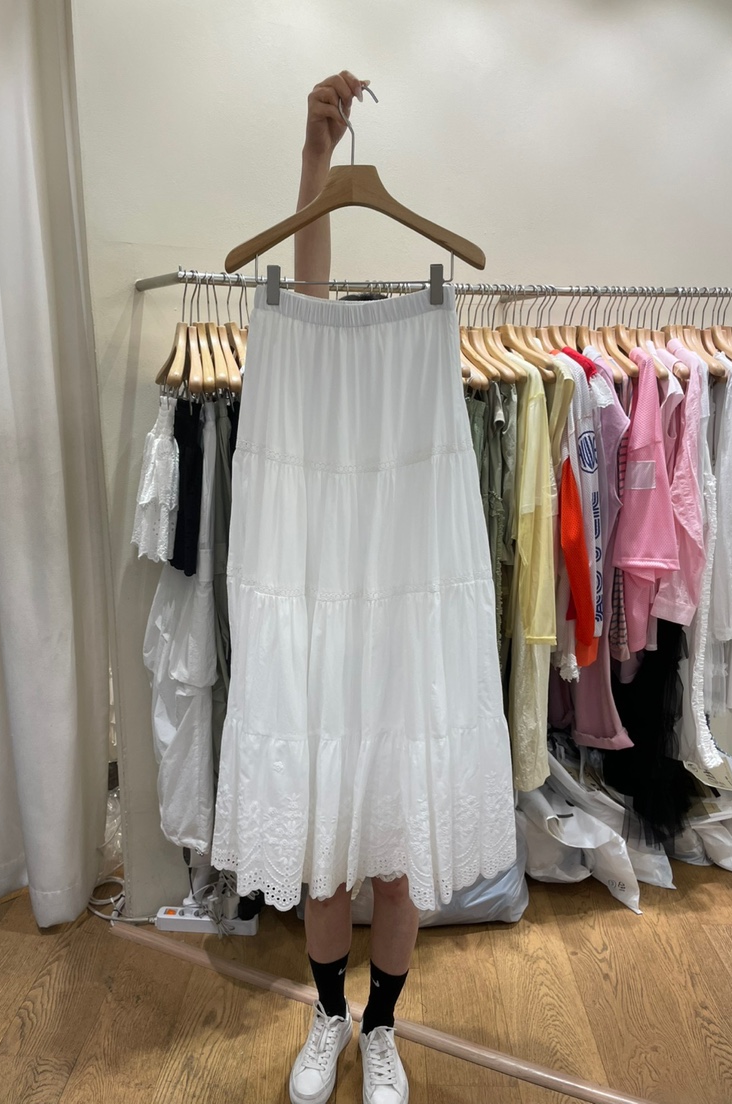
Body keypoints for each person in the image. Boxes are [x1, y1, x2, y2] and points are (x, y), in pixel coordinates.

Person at [288, 70, 416, 1104]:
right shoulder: (318, 382)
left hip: (405, 642)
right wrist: (314, 160)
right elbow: (308, 297)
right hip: (326, 640)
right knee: (326, 858)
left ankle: (381, 1029)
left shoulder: (428, 372)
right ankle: (329, 1016)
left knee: (397, 862)